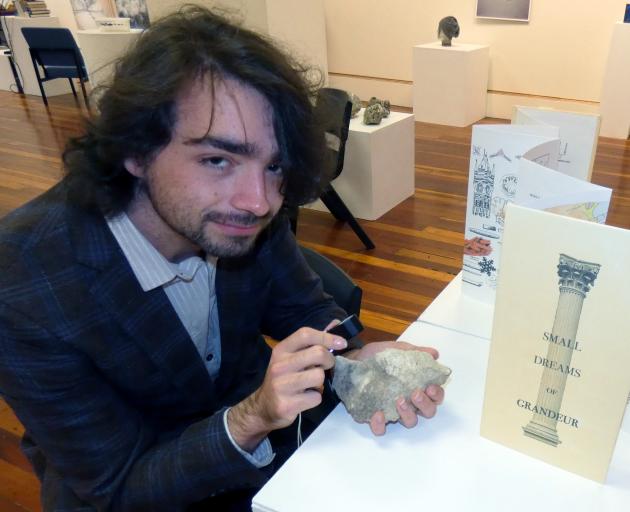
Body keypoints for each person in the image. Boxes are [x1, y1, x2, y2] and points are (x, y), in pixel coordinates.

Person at [0, 6, 444, 511]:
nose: (259, 201)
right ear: (136, 150)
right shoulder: (21, 289)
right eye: (217, 159)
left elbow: (302, 307)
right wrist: (252, 417)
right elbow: (116, 489)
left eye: (274, 165)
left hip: (264, 453)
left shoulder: (240, 207)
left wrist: (352, 355)